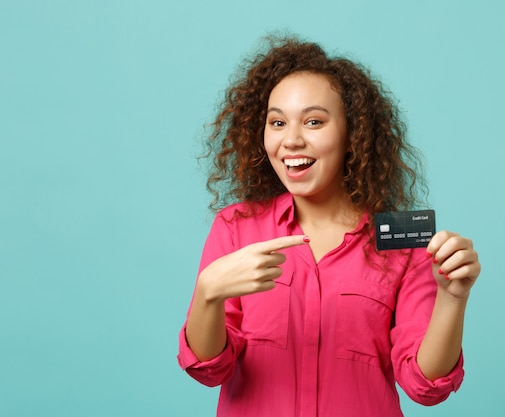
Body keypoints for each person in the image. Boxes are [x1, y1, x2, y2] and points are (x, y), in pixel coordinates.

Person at [177, 35, 481, 417]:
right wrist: (208, 294)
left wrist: (453, 298)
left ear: (351, 135)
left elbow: (425, 385)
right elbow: (208, 368)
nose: (291, 140)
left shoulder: (402, 242)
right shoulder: (236, 228)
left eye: (314, 121)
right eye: (277, 122)